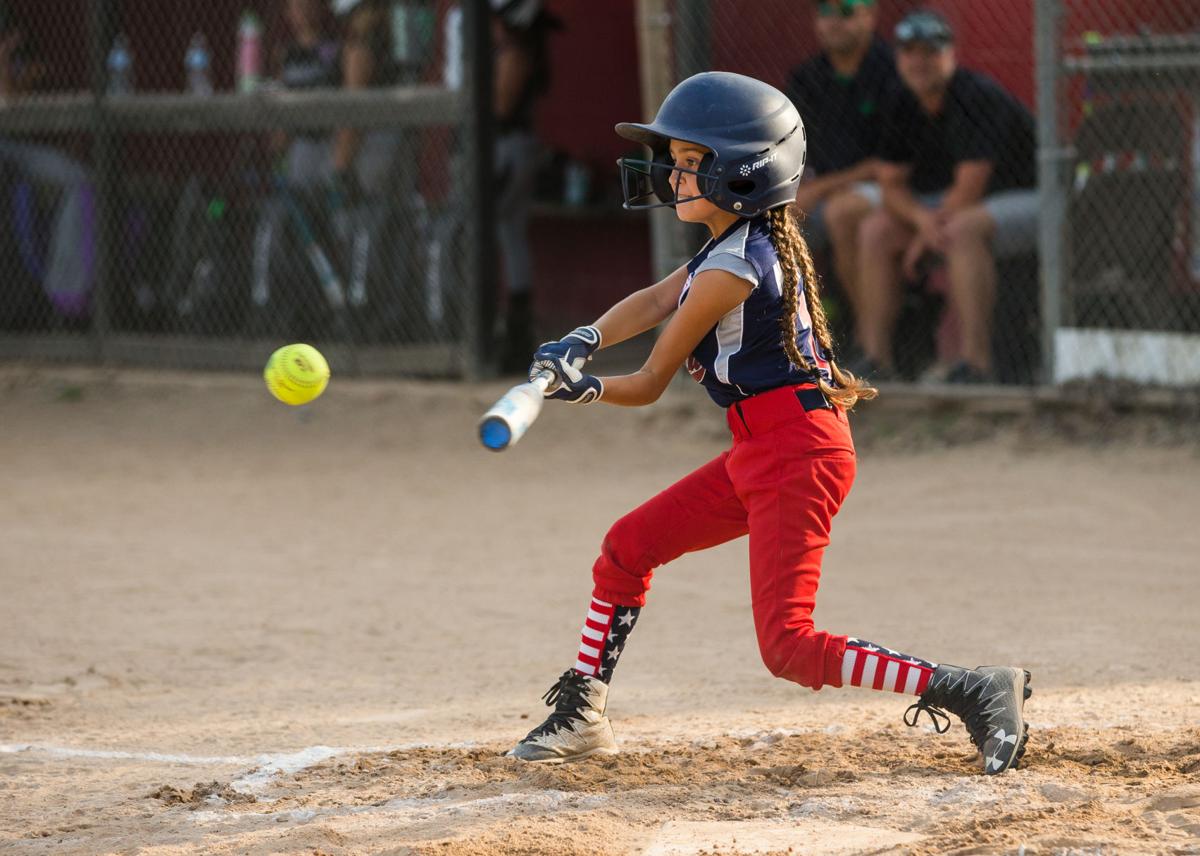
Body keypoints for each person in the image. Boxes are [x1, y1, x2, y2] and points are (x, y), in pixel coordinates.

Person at [505, 72, 1032, 776]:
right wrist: (583, 339)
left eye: (692, 162)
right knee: (626, 549)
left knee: (787, 645)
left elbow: (651, 381)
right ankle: (582, 713)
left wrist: (583, 388)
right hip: (765, 446)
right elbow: (657, 297)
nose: (673, 174)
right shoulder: (732, 244)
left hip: (796, 453)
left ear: (742, 175)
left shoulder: (734, 268)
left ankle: (970, 687)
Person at [851, 10, 1037, 383]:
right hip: (954, 204)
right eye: (909, 52)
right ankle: (876, 361)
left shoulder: (976, 95)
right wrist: (921, 222)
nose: (919, 62)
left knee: (960, 230)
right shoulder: (901, 99)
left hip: (1030, 196)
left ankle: (975, 364)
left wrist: (924, 236)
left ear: (951, 54)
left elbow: (970, 189)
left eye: (930, 52)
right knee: (876, 229)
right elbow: (890, 185)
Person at [786, 0, 898, 324]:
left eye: (847, 11)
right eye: (825, 11)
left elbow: (885, 164)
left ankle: (869, 340)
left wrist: (819, 187)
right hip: (827, 189)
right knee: (770, 215)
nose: (834, 21)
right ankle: (790, 335)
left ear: (870, 17)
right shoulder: (807, 77)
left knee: (843, 211)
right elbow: (790, 148)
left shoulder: (891, 71)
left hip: (892, 187)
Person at [490, 0, 559, 373]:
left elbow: (498, 109)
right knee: (509, 234)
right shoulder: (514, 49)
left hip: (506, 149)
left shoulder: (517, 52)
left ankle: (512, 330)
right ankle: (513, 328)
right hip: (512, 148)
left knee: (501, 234)